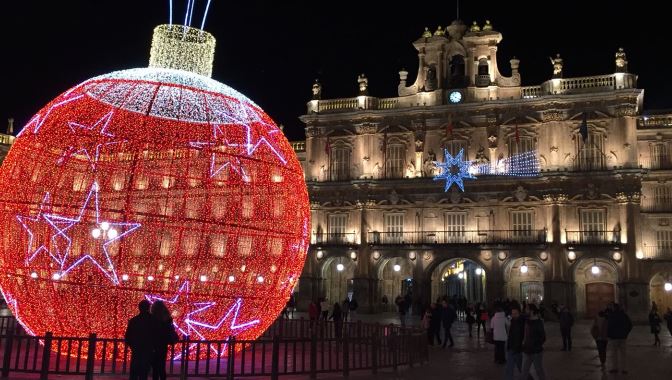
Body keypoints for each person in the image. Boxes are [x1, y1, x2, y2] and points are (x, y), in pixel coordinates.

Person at [125, 300, 154, 380]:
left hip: (136, 348)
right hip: (147, 349)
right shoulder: (153, 320)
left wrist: (132, 346)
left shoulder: (134, 320)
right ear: (149, 308)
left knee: (134, 371)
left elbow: (128, 336)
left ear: (139, 308)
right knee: (144, 372)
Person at [150, 301, 178, 380]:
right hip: (163, 345)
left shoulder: (152, 319)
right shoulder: (167, 319)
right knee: (161, 366)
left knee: (155, 368)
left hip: (154, 345)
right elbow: (169, 330)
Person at [520, 304, 546, 380]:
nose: (525, 310)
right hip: (527, 350)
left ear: (531, 311)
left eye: (527, 309)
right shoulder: (527, 321)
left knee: (539, 370)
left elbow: (543, 338)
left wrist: (535, 345)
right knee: (524, 371)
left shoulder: (538, 322)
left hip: (536, 352)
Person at [606, 303, 632, 374]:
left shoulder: (612, 316)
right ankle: (624, 369)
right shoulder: (624, 315)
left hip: (614, 338)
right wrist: (625, 333)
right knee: (623, 354)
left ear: (614, 308)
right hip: (623, 338)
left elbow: (609, 326)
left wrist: (609, 335)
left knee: (614, 354)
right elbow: (630, 325)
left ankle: (615, 368)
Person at [505, 305, 525, 380]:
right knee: (509, 369)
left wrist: (516, 348)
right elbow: (511, 335)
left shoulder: (520, 322)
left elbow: (519, 336)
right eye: (512, 313)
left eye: (515, 313)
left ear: (519, 313)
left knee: (522, 369)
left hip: (516, 349)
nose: (513, 315)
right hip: (512, 348)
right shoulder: (513, 321)